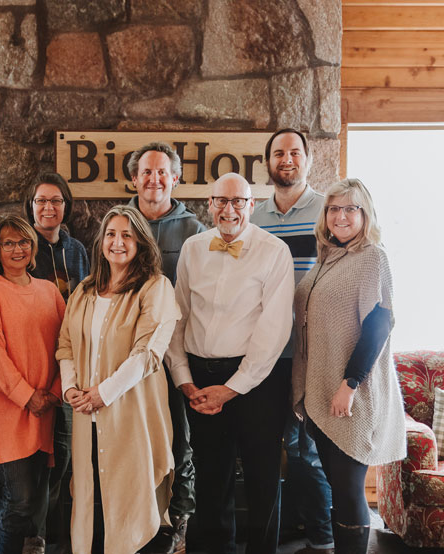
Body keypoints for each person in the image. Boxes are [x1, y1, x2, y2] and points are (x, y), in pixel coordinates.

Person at [165, 173, 295, 554]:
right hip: (201, 378)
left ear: (251, 206)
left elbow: (274, 328)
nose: (230, 209)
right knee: (211, 476)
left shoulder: (274, 251)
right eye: (222, 200)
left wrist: (233, 387)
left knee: (262, 476)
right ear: (210, 204)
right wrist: (183, 378)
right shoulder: (192, 248)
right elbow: (179, 316)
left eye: (239, 201)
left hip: (257, 379)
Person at [56, 205, 180, 554]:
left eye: (127, 235)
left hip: (132, 414)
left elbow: (147, 354)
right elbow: (65, 344)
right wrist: (71, 390)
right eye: (111, 234)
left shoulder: (155, 287)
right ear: (101, 242)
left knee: (131, 495)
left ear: (141, 242)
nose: (118, 242)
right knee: (88, 495)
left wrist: (103, 393)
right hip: (84, 415)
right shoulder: (83, 290)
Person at [292, 178, 405, 554]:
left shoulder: (373, 256)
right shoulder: (328, 256)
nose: (341, 216)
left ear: (365, 214)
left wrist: (349, 384)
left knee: (348, 491)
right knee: (337, 488)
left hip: (352, 394)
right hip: (322, 388)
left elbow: (379, 325)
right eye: (333, 209)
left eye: (350, 208)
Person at [251, 128, 333, 554]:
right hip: (264, 356)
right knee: (265, 453)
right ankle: (271, 540)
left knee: (307, 455)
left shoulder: (327, 212)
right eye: (279, 152)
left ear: (308, 159)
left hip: (312, 354)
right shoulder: (253, 216)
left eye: (295, 152)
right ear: (267, 162)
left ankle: (323, 540)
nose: (287, 159)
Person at [126, 141, 205, 554]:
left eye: (162, 172)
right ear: (134, 178)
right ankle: (139, 521)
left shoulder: (194, 230)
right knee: (135, 438)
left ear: (175, 178)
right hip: (127, 355)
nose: (154, 179)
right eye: (146, 172)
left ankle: (181, 523)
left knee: (180, 441)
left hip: (177, 355)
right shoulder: (118, 224)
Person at [0, 215, 65, 554]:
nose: (17, 249)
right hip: (10, 408)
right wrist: (28, 397)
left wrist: (53, 393)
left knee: (40, 493)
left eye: (23, 241)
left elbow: (66, 347)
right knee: (19, 499)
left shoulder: (50, 291)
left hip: (49, 407)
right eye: (8, 243)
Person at [23, 171, 90, 552]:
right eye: (41, 201)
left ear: (66, 206)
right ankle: (34, 537)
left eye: (56, 201)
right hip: (31, 366)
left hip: (70, 367)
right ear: (30, 206)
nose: (48, 207)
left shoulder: (77, 250)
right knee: (35, 459)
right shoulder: (19, 246)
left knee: (63, 457)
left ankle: (60, 538)